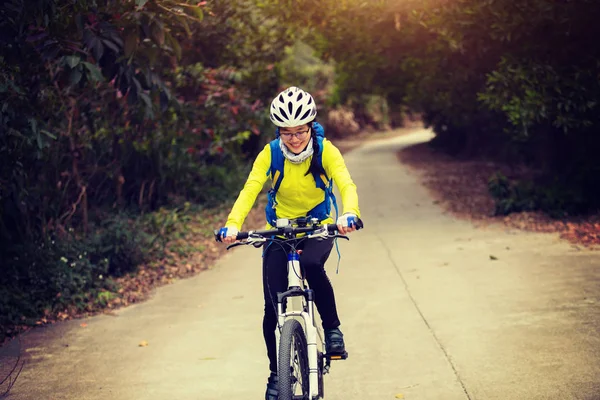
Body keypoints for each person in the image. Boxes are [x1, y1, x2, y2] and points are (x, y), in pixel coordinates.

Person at [218, 86, 361, 400]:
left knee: (311, 264)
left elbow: (345, 183)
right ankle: (275, 373)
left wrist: (349, 213)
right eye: (287, 132)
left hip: (318, 226)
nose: (294, 139)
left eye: (300, 131)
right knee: (272, 307)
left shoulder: (326, 151)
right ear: (278, 131)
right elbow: (249, 190)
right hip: (279, 230)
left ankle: (333, 329)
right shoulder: (270, 153)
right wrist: (233, 224)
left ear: (310, 126)